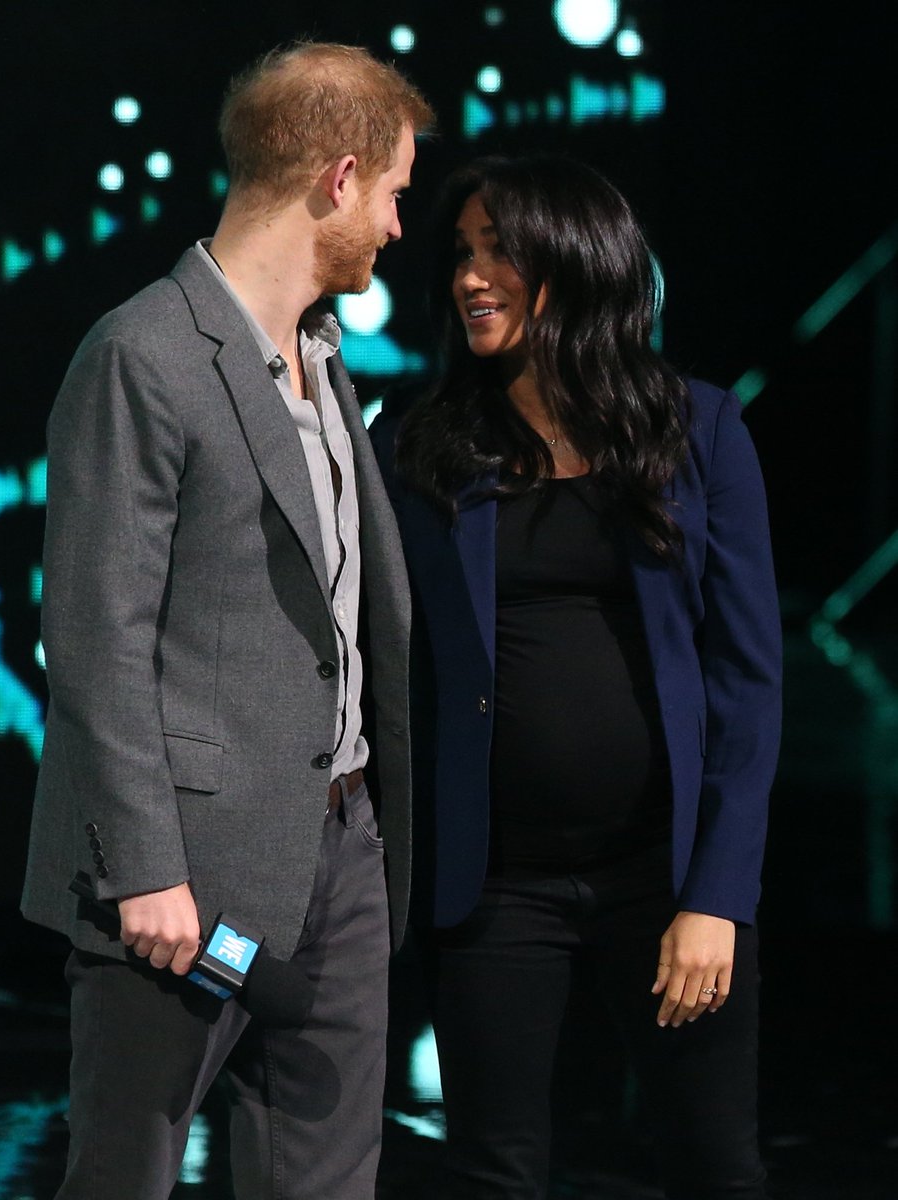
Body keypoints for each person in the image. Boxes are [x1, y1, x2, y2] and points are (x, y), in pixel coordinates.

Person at [21, 42, 433, 1200]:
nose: (400, 227)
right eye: (396, 194)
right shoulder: (144, 355)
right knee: (124, 1177)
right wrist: (147, 868)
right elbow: (95, 638)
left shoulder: (320, 355)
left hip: (340, 855)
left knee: (326, 1181)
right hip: (185, 880)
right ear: (339, 178)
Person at [370, 154, 782, 1199]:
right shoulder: (419, 447)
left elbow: (746, 685)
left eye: (500, 249)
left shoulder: (697, 432)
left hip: (665, 877)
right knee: (494, 1173)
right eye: (461, 253)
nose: (471, 275)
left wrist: (714, 899)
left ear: (579, 259)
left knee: (712, 1167)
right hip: (495, 885)